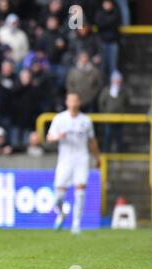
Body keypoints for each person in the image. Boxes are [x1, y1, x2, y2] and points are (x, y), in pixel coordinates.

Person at [47, 93, 101, 235]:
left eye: (76, 100)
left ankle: (76, 224)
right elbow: (49, 138)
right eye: (71, 100)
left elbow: (92, 140)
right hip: (65, 159)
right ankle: (62, 213)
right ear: (67, 102)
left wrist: (97, 157)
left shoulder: (86, 121)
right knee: (58, 195)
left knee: (80, 192)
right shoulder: (59, 119)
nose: (73, 103)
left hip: (81, 158)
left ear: (79, 102)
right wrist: (59, 136)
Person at [98, 70, 129, 152]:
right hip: (109, 119)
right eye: (116, 80)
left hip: (120, 119)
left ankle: (120, 153)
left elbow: (127, 103)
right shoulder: (106, 90)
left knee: (119, 137)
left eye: (119, 80)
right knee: (108, 136)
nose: (118, 82)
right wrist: (104, 113)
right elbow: (101, 102)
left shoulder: (123, 91)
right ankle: (106, 152)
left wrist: (123, 112)